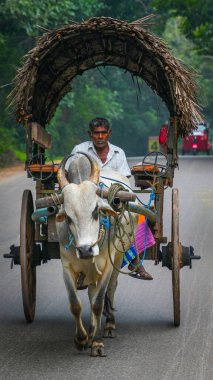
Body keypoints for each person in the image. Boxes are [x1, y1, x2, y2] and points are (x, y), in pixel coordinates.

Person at [68, 117, 153, 280]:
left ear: (109, 133)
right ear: (90, 134)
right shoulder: (79, 150)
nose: (100, 137)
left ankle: (135, 260)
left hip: (114, 202)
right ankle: (80, 266)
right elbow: (70, 173)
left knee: (136, 215)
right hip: (86, 203)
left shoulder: (118, 152)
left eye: (103, 133)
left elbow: (124, 182)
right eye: (96, 133)